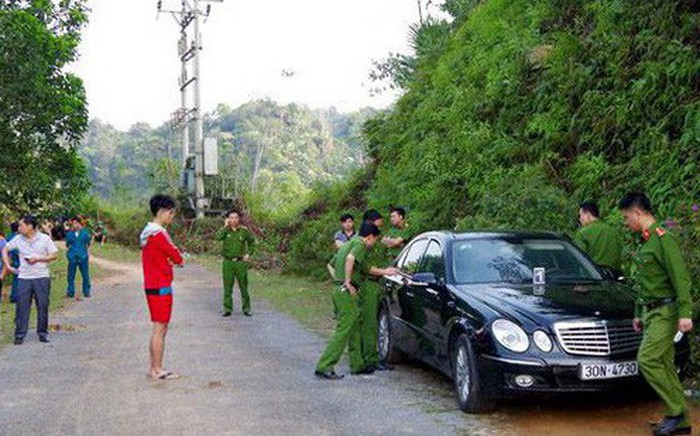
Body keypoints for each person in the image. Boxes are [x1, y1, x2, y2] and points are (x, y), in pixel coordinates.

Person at [619, 192, 693, 436]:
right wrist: (639, 313)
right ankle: (680, 423)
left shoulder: (663, 240)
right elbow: (646, 284)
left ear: (637, 212)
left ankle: (677, 411)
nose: (626, 222)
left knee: (648, 360)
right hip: (652, 312)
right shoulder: (647, 241)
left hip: (666, 312)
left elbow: (680, 277)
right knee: (664, 363)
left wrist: (685, 313)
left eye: (627, 217)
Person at [315, 223, 399, 379]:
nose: (374, 244)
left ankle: (357, 364)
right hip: (345, 291)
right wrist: (346, 282)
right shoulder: (359, 245)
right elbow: (350, 258)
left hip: (339, 290)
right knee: (344, 329)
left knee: (353, 326)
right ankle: (324, 366)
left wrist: (386, 271)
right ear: (370, 237)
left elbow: (365, 267)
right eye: (375, 240)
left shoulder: (349, 243)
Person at [139, 195, 184, 380]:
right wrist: (175, 260)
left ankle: (154, 368)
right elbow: (176, 255)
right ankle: (157, 369)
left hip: (153, 284)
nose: (172, 217)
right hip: (160, 286)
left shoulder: (147, 233)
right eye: (171, 213)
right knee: (160, 328)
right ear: (164, 211)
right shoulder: (158, 233)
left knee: (159, 327)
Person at [1, 215, 58, 345]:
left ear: (30, 226)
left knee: (42, 305)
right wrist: (8, 266)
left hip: (41, 276)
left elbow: (54, 255)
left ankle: (42, 333)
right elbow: (5, 248)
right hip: (24, 278)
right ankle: (19, 335)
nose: (19, 227)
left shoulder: (44, 239)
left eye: (21, 225)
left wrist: (39, 259)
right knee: (21, 306)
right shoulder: (18, 239)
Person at [215, 209, 255, 317]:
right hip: (228, 263)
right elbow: (217, 237)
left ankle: (246, 309)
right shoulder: (225, 231)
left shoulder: (243, 231)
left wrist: (249, 254)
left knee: (243, 286)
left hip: (240, 263)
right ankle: (227, 309)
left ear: (239, 219)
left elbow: (252, 242)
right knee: (227, 286)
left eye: (235, 217)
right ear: (228, 219)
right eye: (231, 218)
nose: (233, 220)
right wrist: (224, 226)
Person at [572, 201, 623, 271]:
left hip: (593, 275)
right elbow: (619, 257)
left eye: (580, 215)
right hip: (613, 275)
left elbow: (579, 260)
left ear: (587, 214)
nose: (580, 219)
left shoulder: (582, 233)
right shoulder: (613, 231)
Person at [65, 215, 92, 300]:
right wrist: (69, 255)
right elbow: (67, 244)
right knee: (71, 276)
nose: (74, 225)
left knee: (85, 275)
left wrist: (86, 253)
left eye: (76, 223)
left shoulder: (85, 233)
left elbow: (88, 243)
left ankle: (86, 291)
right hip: (72, 256)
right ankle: (70, 292)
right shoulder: (69, 234)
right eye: (73, 223)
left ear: (80, 224)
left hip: (83, 256)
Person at [6, 221, 20, 303]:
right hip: (17, 260)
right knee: (17, 279)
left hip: (10, 260)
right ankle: (15, 297)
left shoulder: (8, 237)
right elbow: (16, 251)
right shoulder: (17, 238)